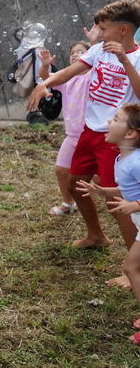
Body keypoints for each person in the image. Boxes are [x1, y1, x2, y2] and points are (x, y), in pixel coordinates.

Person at [27, 0, 140, 277]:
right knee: (75, 183)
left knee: (117, 203)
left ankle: (132, 269)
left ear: (124, 29)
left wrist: (125, 61)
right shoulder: (99, 50)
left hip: (115, 138)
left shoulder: (137, 58)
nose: (100, 34)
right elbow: (69, 72)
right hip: (90, 132)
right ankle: (96, 235)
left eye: (104, 29)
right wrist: (45, 83)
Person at [74, 104, 140, 345]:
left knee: (131, 268)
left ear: (130, 133)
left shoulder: (136, 162)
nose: (109, 121)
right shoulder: (124, 157)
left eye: (116, 119)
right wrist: (103, 191)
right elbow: (129, 188)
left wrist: (135, 206)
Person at [41, 42, 90, 215]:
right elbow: (46, 77)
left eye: (81, 52)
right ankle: (68, 203)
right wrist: (46, 65)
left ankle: (122, 200)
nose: (75, 55)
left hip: (92, 136)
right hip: (72, 136)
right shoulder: (66, 79)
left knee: (100, 177)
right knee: (61, 170)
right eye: (72, 52)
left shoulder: (92, 76)